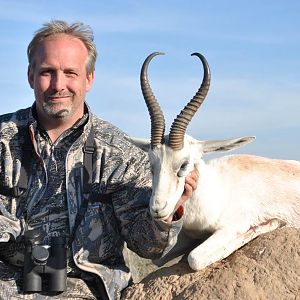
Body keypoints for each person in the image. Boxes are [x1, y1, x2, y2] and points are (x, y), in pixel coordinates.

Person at [0, 20, 197, 300]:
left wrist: (171, 207)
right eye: (47, 72)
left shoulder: (121, 153)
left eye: (70, 73)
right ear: (30, 76)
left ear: (89, 78)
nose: (58, 85)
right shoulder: (3, 141)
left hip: (87, 290)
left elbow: (148, 246)